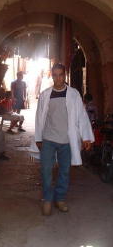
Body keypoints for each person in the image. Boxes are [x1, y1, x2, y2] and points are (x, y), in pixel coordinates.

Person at [35, 63, 94, 216]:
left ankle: (60, 199)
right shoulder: (45, 94)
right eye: (55, 75)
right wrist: (38, 137)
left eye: (61, 74)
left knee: (64, 172)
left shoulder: (73, 94)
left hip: (67, 141)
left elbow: (81, 115)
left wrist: (86, 136)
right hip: (48, 138)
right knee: (46, 170)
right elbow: (39, 117)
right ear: (52, 75)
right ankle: (47, 199)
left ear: (65, 75)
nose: (58, 78)